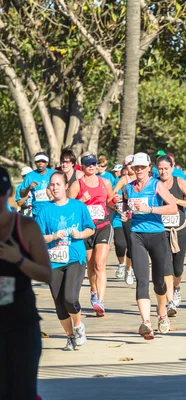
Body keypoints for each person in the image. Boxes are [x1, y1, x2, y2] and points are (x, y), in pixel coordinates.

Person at [0, 167, 51, 399]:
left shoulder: (26, 227)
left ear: (9, 193)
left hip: (20, 322)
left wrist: (18, 259)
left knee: (22, 391)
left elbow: (46, 274)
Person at [119, 152, 178, 339]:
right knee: (141, 280)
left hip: (157, 236)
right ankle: (146, 323)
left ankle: (162, 314)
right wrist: (126, 215)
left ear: (148, 168)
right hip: (137, 236)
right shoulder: (128, 188)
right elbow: (128, 209)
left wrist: (151, 209)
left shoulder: (156, 185)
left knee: (159, 282)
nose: (139, 170)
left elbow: (173, 207)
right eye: (136, 167)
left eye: (142, 167)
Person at [36, 171, 95, 351]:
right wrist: (52, 236)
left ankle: (78, 327)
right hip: (54, 261)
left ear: (66, 186)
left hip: (75, 258)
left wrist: (80, 234)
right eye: (52, 185)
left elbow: (90, 229)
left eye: (58, 184)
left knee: (69, 298)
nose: (55, 188)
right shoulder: (45, 210)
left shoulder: (78, 207)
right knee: (59, 303)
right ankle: (69, 337)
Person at [68, 153, 115, 317]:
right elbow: (67, 207)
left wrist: (120, 207)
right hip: (86, 229)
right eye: (88, 164)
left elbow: (110, 200)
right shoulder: (77, 185)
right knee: (91, 265)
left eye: (94, 163)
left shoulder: (105, 182)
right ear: (82, 166)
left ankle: (100, 302)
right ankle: (93, 291)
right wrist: (81, 200)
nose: (92, 166)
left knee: (100, 264)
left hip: (103, 226)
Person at [156, 155, 186, 317]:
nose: (163, 171)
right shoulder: (155, 184)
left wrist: (176, 201)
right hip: (161, 230)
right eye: (160, 169)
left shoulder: (179, 182)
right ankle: (170, 301)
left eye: (166, 168)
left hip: (179, 229)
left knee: (177, 268)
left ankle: (176, 287)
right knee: (166, 265)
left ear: (172, 169)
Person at [112, 155, 137, 285]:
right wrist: (115, 201)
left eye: (134, 163)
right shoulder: (123, 179)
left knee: (132, 247)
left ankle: (128, 269)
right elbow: (111, 197)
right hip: (120, 217)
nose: (132, 166)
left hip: (137, 218)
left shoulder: (143, 179)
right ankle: (122, 264)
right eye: (129, 164)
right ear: (125, 166)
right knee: (121, 244)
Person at [20, 151, 57, 216]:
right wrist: (29, 188)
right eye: (38, 161)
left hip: (53, 210)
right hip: (37, 212)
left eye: (43, 161)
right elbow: (22, 194)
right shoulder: (29, 176)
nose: (40, 163)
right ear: (35, 163)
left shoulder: (54, 173)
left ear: (47, 163)